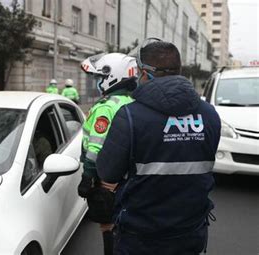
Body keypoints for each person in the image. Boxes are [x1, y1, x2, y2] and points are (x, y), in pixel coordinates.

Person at [96, 39, 221, 254]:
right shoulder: (210, 115)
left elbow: (108, 172)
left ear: (145, 73)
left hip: (140, 235)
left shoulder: (130, 116)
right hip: (191, 231)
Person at [78, 53, 138, 255]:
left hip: (106, 175)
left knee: (107, 223)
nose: (98, 82)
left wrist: (88, 176)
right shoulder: (131, 103)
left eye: (100, 78)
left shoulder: (106, 107)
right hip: (126, 173)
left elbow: (96, 145)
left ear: (111, 77)